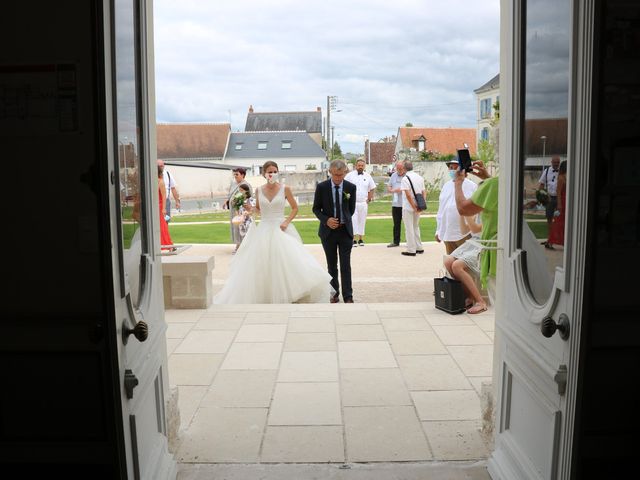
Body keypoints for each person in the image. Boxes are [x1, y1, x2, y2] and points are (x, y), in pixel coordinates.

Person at [214, 161, 332, 304]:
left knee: (289, 261)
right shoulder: (259, 190)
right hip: (264, 228)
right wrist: (250, 209)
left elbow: (295, 208)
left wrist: (286, 222)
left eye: (275, 171)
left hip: (281, 227)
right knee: (262, 263)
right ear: (264, 174)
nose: (272, 174)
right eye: (269, 172)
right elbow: (258, 210)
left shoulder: (285, 189)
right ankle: (267, 295)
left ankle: (290, 293)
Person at [454, 160, 499, 312]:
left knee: (501, 304)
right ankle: (472, 298)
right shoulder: (504, 183)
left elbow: (463, 208)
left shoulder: (493, 185)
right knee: (451, 261)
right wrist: (487, 178)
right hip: (492, 244)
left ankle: (480, 301)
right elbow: (465, 228)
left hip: (494, 247)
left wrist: (458, 182)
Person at [313, 159, 357, 303]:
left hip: (345, 232)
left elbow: (351, 209)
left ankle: (348, 295)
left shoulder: (351, 187)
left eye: (341, 175)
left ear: (345, 172)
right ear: (330, 172)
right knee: (331, 265)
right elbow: (316, 209)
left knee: (346, 265)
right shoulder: (322, 187)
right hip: (328, 233)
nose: (338, 178)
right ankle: (334, 293)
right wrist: (327, 220)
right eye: (336, 175)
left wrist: (344, 219)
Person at [443, 214, 485, 313]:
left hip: (484, 245)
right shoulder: (478, 212)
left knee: (457, 266)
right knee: (448, 261)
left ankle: (481, 302)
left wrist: (466, 213)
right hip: (473, 243)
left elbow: (475, 229)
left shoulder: (490, 213)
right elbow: (464, 231)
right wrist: (462, 215)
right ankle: (469, 296)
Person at [435, 159, 478, 254]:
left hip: (465, 233)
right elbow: (441, 210)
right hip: (448, 232)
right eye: (451, 168)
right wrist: (438, 230)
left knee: (464, 262)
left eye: (456, 168)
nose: (453, 170)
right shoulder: (445, 186)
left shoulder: (472, 186)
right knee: (450, 261)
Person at [344, 159, 376, 247]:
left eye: (362, 165)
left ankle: (361, 239)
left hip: (363, 202)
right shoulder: (349, 176)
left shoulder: (368, 176)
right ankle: (353, 239)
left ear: (364, 166)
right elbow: (344, 186)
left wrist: (369, 198)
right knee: (353, 220)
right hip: (353, 203)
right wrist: (346, 197)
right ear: (356, 166)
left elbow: (372, 187)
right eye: (359, 165)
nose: (360, 167)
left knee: (362, 220)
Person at [400, 160, 426, 256]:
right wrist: (421, 204)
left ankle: (411, 249)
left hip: (408, 206)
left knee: (409, 228)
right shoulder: (420, 177)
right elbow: (424, 192)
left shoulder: (405, 179)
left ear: (404, 168)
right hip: (419, 205)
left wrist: (413, 206)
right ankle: (419, 247)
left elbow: (408, 195)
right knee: (416, 226)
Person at [224, 167, 253, 253]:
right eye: (234, 174)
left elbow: (249, 198)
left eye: (237, 174)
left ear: (243, 175)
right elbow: (231, 195)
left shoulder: (246, 185)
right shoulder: (233, 184)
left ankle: (241, 246)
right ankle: (238, 244)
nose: (235, 176)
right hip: (234, 211)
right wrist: (227, 201)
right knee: (235, 227)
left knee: (241, 228)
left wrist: (245, 211)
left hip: (242, 212)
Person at [536, 155, 561, 249]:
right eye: (554, 162)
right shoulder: (546, 171)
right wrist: (540, 196)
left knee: (559, 220)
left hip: (559, 198)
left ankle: (554, 240)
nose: (556, 164)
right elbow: (541, 184)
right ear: (551, 162)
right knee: (549, 219)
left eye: (557, 162)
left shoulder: (562, 172)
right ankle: (549, 239)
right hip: (549, 199)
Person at [547, 160, 567, 249]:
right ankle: (550, 241)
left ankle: (562, 241)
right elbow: (558, 192)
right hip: (562, 201)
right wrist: (559, 204)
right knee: (558, 222)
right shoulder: (561, 178)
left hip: (566, 201)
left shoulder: (565, 177)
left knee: (563, 223)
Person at [386, 160, 405, 247]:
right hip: (396, 204)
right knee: (396, 224)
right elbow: (389, 186)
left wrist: (401, 189)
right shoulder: (393, 175)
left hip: (406, 204)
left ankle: (411, 242)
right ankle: (396, 241)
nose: (399, 170)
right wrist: (393, 190)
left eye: (401, 168)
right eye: (398, 168)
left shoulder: (407, 176)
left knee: (408, 224)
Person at [158, 164, 173, 250]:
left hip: (159, 206)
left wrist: (164, 208)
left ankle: (168, 244)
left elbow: (164, 196)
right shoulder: (152, 181)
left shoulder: (161, 181)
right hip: (153, 206)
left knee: (162, 225)